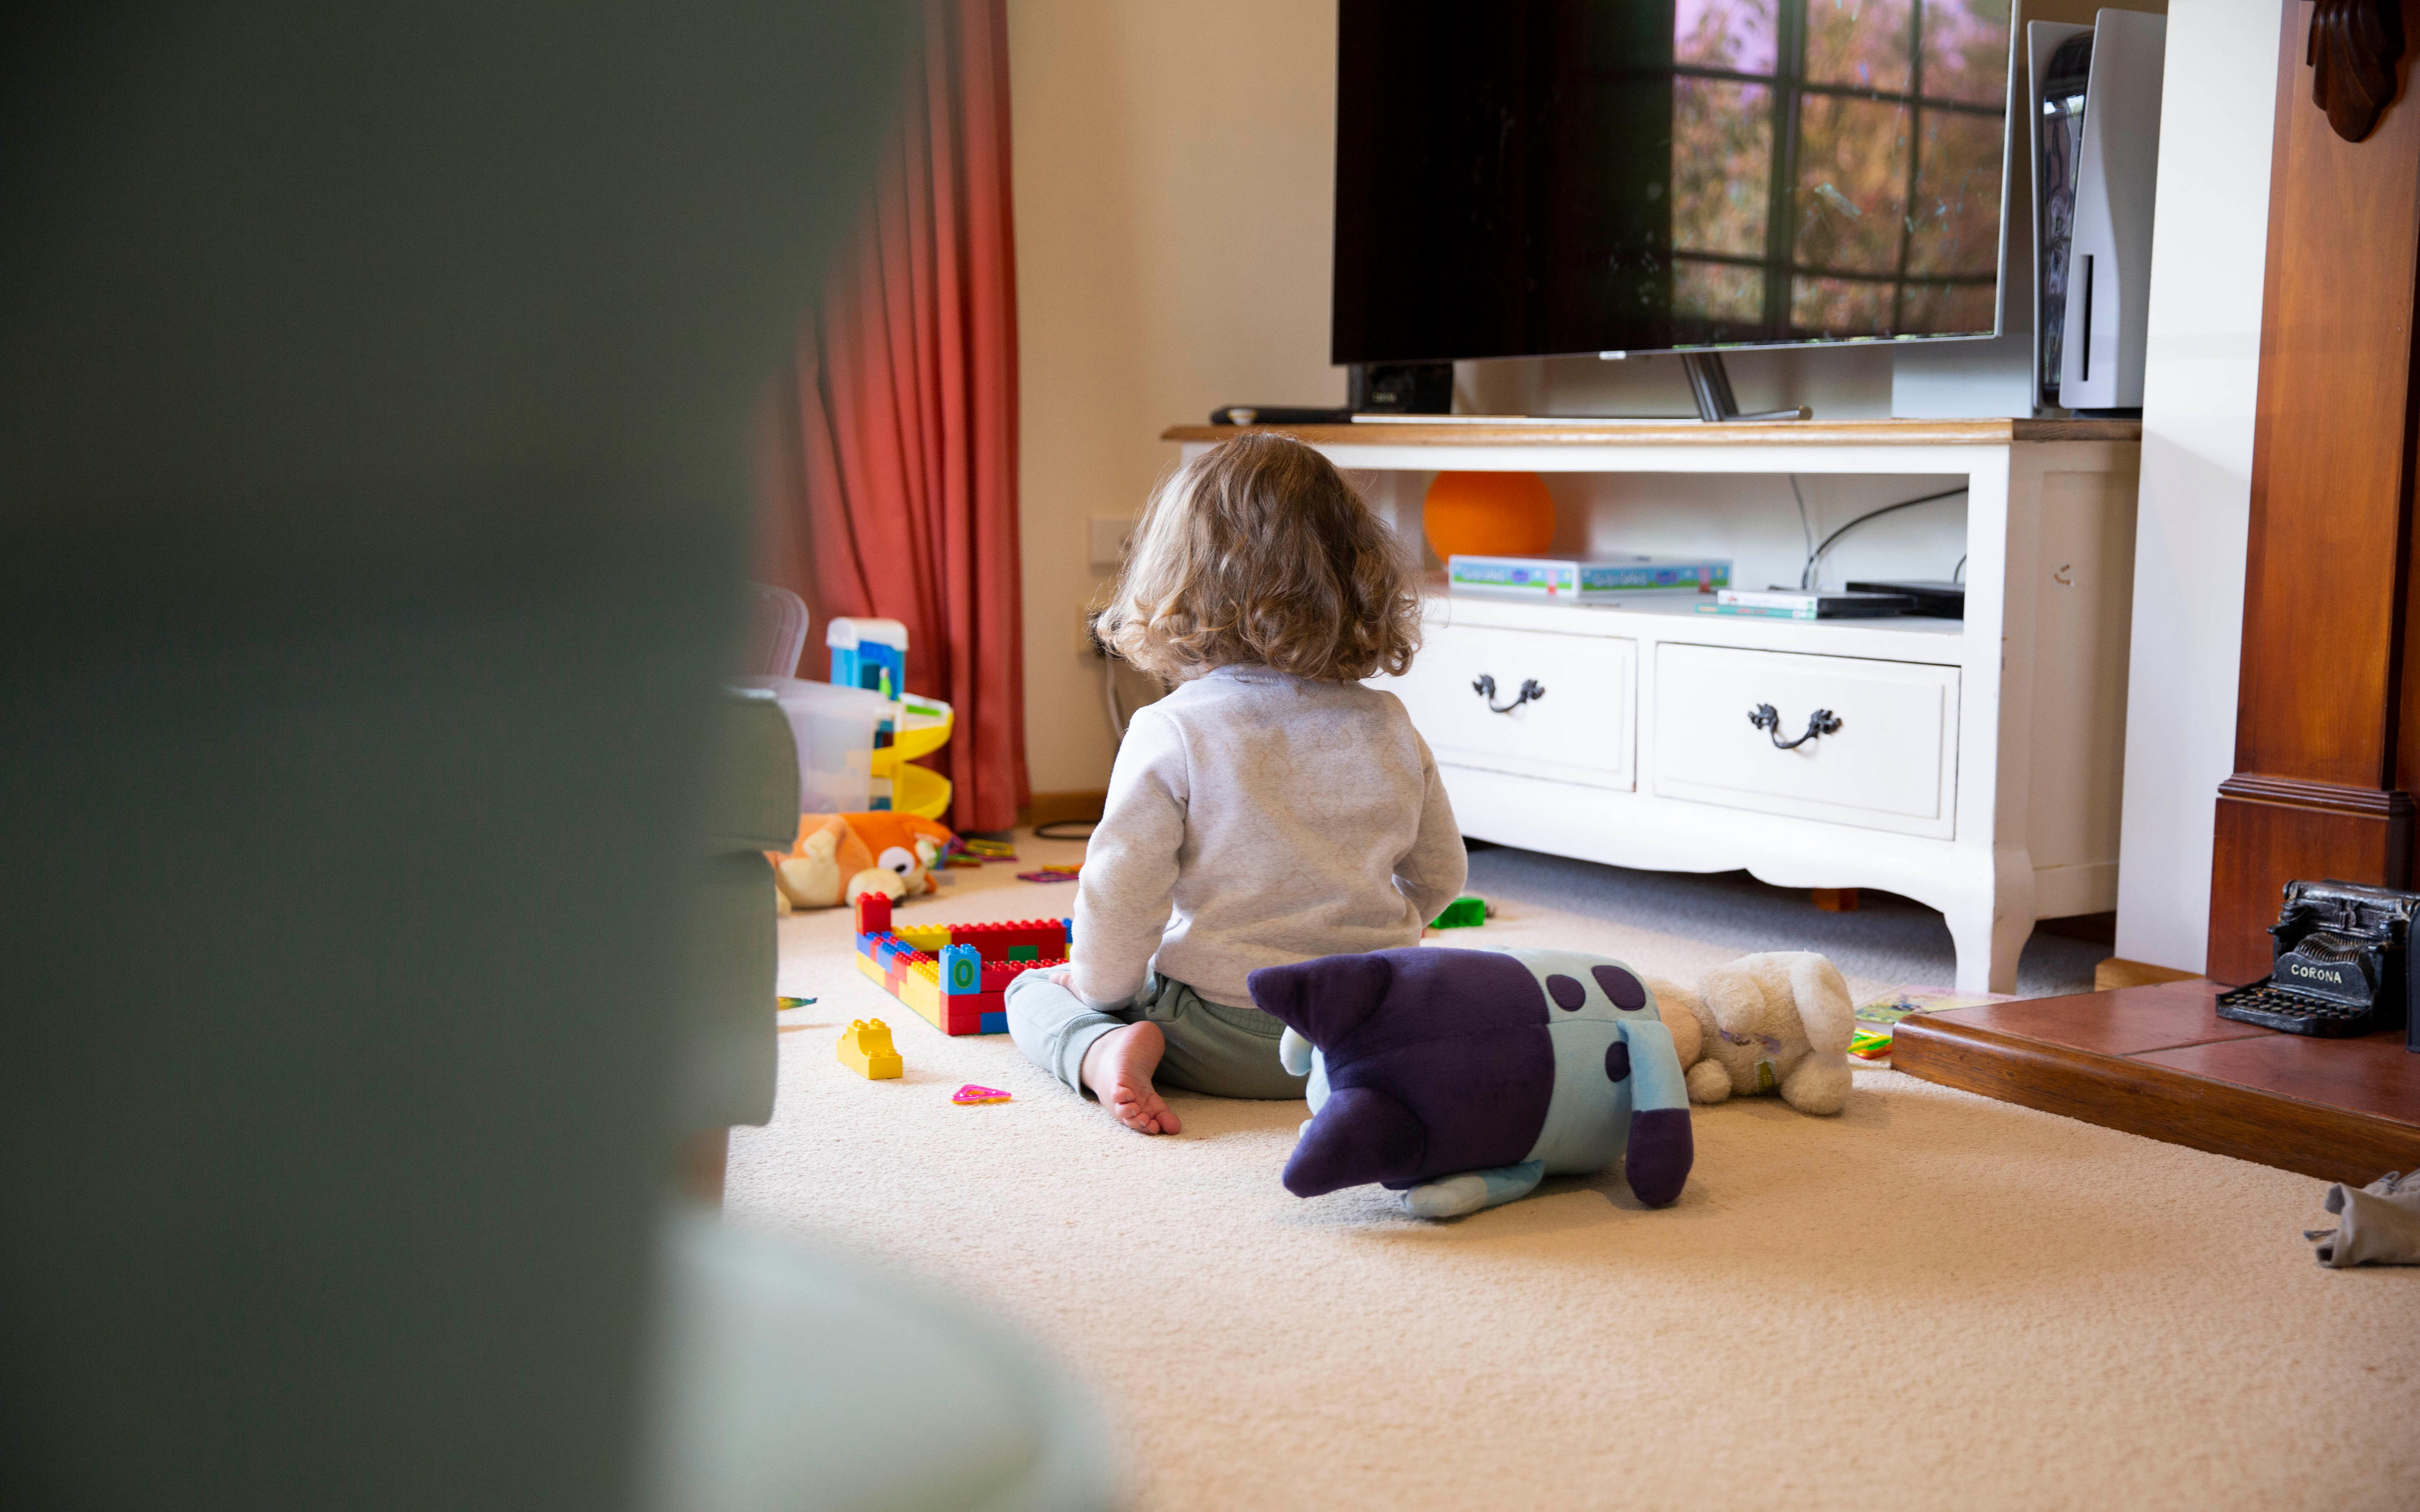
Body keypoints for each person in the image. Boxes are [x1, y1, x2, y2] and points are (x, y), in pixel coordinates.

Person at [1005, 433, 1467, 1134]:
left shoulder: (1174, 728)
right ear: (1358, 573)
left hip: (1224, 1038)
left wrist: (1101, 994)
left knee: (1032, 989)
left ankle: (1101, 1052)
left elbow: (1121, 891)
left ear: (1177, 580)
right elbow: (1440, 876)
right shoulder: (1388, 723)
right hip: (1363, 1032)